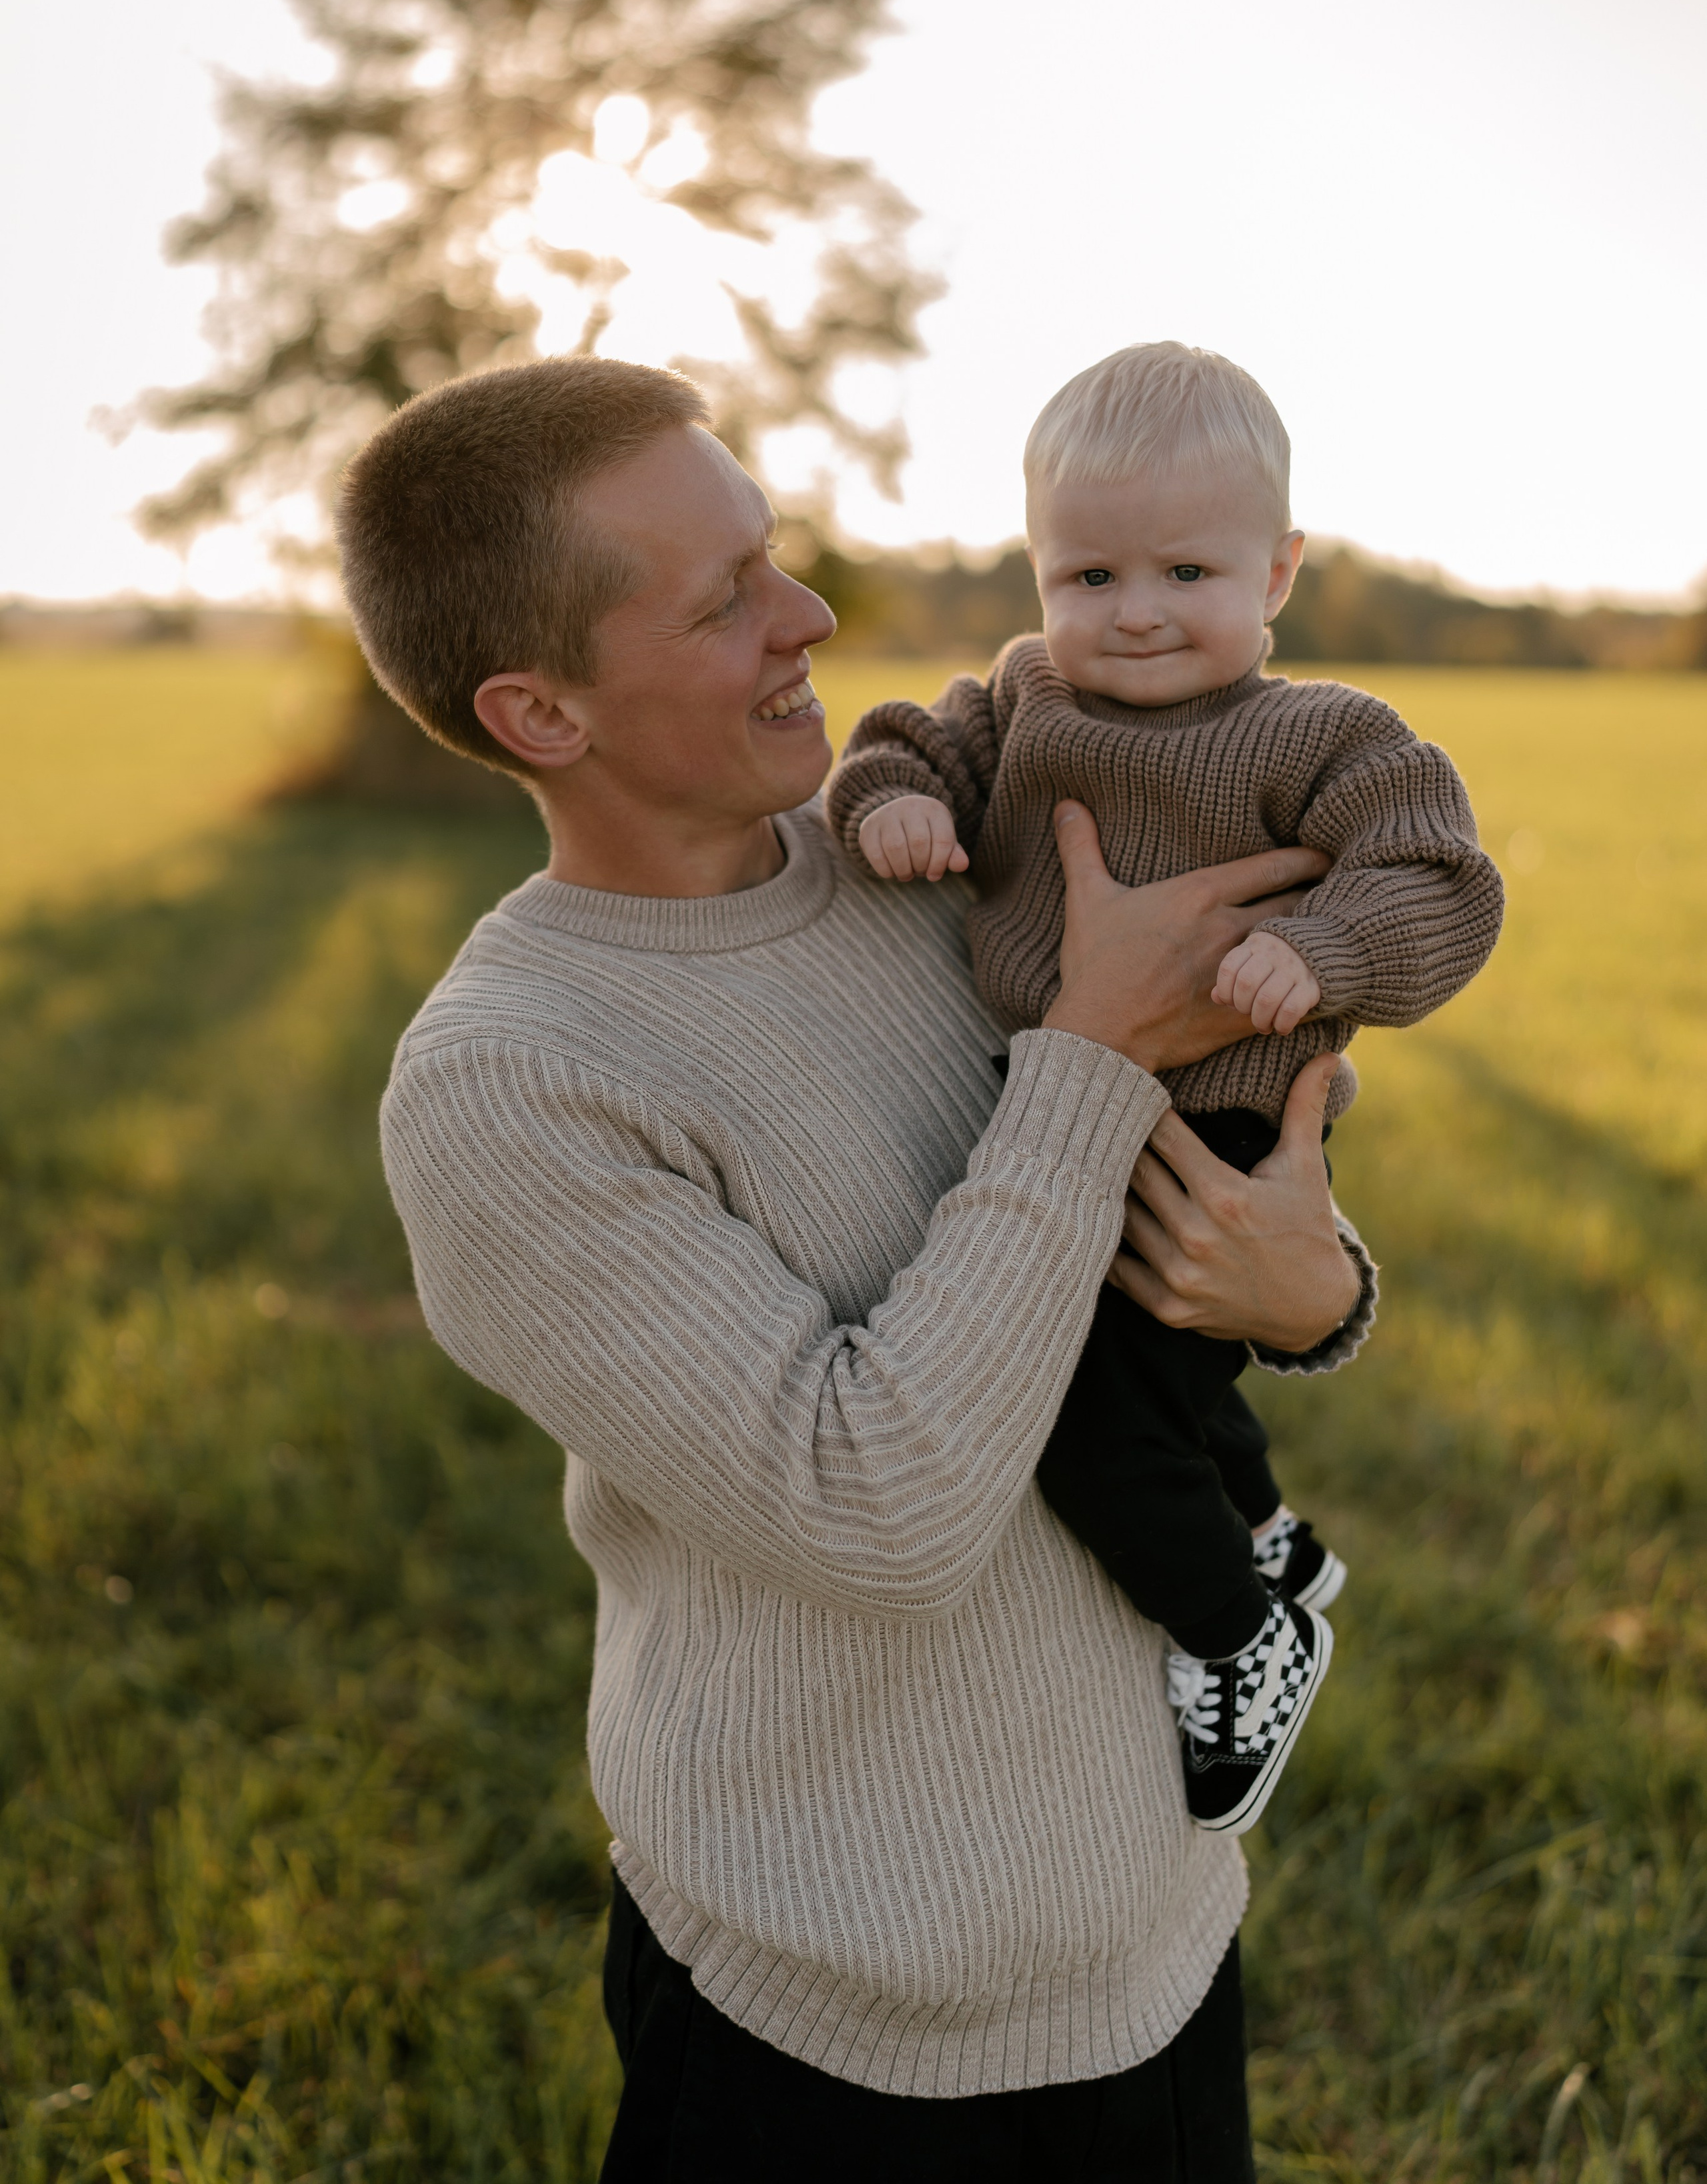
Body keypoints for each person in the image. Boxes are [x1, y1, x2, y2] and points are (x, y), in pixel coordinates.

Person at [337, 354, 1380, 2182]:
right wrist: (1088, 1051)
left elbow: (1210, 1185)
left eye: (778, 555)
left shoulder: (945, 870)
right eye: (725, 599)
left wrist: (1321, 1298)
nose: (810, 615)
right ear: (543, 710)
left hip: (1160, 1955)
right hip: (829, 2044)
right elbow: (880, 1512)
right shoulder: (512, 1085)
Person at [826, 341, 1503, 1833]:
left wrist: (1324, 948)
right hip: (1049, 1092)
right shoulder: (1020, 698)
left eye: (1185, 572)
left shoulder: (1322, 736)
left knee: (1086, 1408)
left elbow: (1444, 886)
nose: (1131, 614)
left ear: (1277, 572)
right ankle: (1264, 1532)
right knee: (1141, 1364)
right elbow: (901, 742)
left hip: (1221, 1121)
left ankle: (1239, 1635)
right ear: (1036, 575)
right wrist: (891, 806)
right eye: (1086, 578)